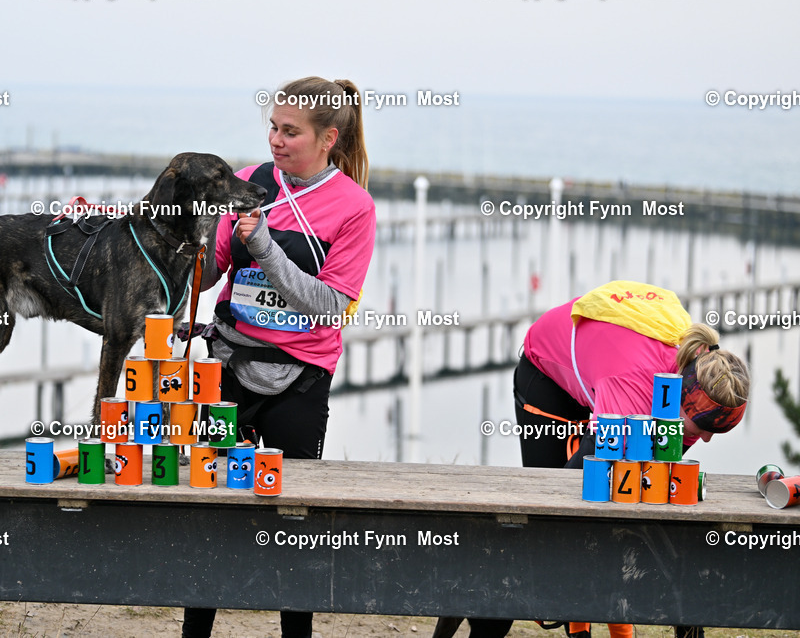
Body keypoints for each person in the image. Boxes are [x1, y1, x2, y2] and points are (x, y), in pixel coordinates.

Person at [432, 281, 749, 638]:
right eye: (703, 427)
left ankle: (583, 612)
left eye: (718, 430)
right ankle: (477, 592)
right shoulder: (630, 389)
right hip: (546, 375)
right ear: (684, 398)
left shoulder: (695, 374)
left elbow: (659, 487)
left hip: (604, 368)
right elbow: (575, 487)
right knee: (550, 514)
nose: (705, 438)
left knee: (633, 494)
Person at [181, 76, 376, 638]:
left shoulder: (354, 207)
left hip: (300, 378)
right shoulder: (248, 182)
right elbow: (210, 272)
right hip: (227, 364)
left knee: (295, 521)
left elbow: (330, 305)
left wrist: (264, 246)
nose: (275, 140)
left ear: (328, 138)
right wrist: (171, 241)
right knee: (212, 508)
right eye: (272, 127)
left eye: (291, 131)